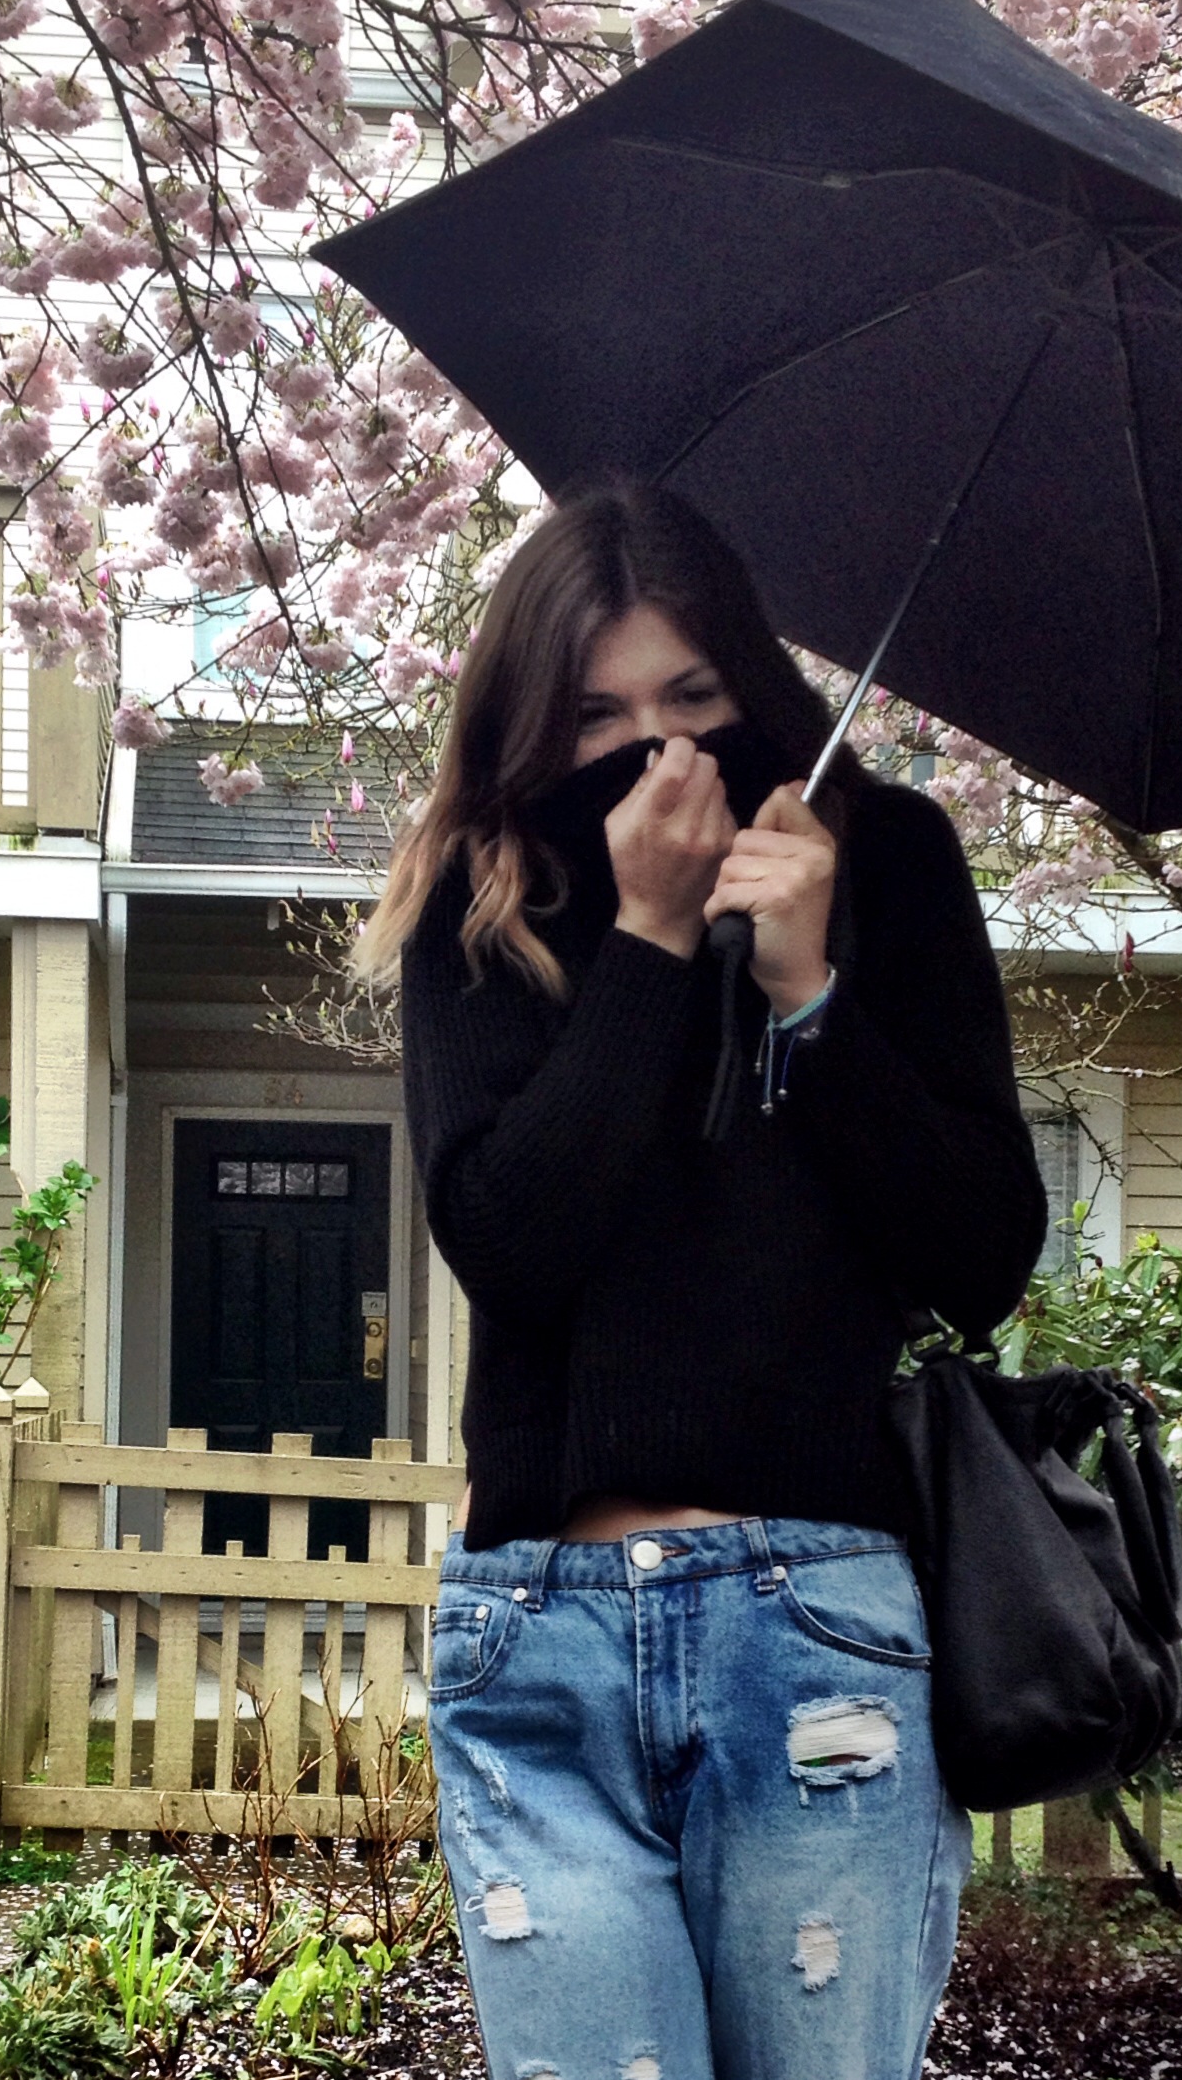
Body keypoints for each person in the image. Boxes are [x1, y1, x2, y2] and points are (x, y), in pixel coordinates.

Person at [358, 487, 1046, 2080]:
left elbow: (981, 1257)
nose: (655, 751)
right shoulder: (481, 892)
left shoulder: (885, 860)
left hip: (811, 1623)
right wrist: (651, 940)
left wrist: (809, 990)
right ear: (529, 723)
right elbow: (508, 1242)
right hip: (542, 1627)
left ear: (755, 683)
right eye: (596, 716)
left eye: (691, 697)